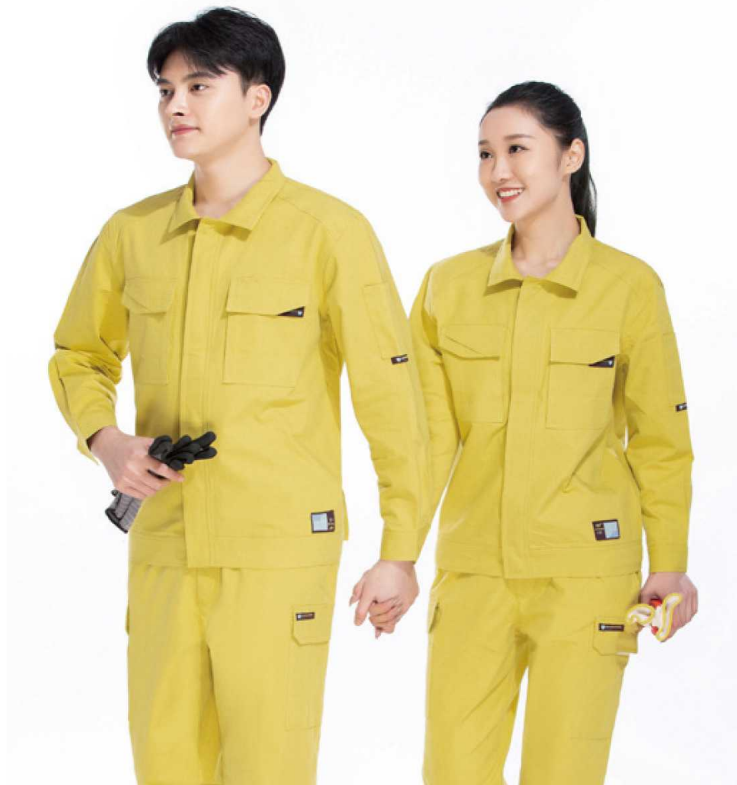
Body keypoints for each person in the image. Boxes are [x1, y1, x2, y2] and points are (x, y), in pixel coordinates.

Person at [47, 7, 431, 784]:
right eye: (164, 90)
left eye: (198, 85)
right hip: (166, 545)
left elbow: (392, 401)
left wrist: (399, 549)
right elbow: (78, 354)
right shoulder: (132, 233)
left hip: (277, 549)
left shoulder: (328, 231)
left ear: (258, 98)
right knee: (165, 762)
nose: (175, 105)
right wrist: (106, 440)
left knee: (267, 765)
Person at [368, 81, 698, 784]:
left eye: (517, 149)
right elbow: (427, 440)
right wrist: (398, 554)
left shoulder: (628, 286)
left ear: (570, 156)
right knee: (452, 771)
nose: (498, 171)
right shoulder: (447, 286)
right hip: (473, 574)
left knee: (564, 772)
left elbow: (660, 440)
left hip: (586, 577)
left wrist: (668, 561)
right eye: (485, 154)